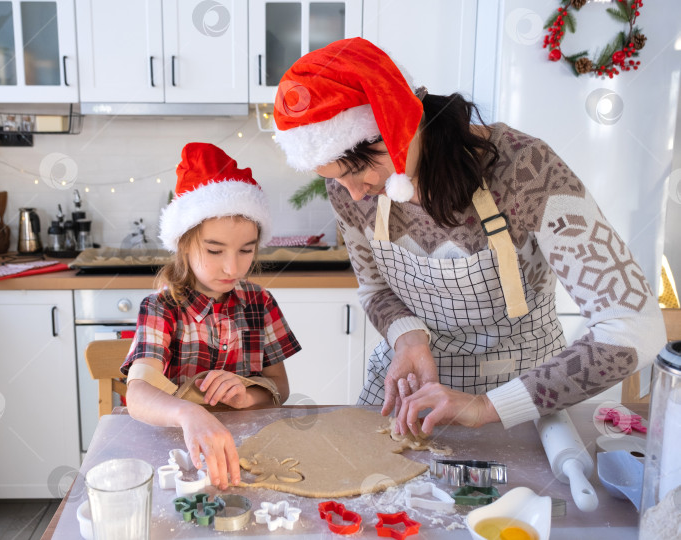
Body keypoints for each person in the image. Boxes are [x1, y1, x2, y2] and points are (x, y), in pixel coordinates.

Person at [272, 37, 665, 437]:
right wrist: (408, 339)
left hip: (522, 394)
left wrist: (484, 407)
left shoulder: (525, 169)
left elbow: (633, 326)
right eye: (335, 178)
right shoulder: (350, 190)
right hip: (412, 392)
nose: (352, 192)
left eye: (355, 171)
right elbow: (374, 290)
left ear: (395, 127)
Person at [121, 143, 301, 489]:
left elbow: (280, 387)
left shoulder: (259, 303)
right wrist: (188, 412)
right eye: (215, 250)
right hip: (177, 454)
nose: (232, 267)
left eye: (246, 250)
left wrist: (247, 395)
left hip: (248, 451)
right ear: (183, 243)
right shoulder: (161, 307)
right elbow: (138, 395)